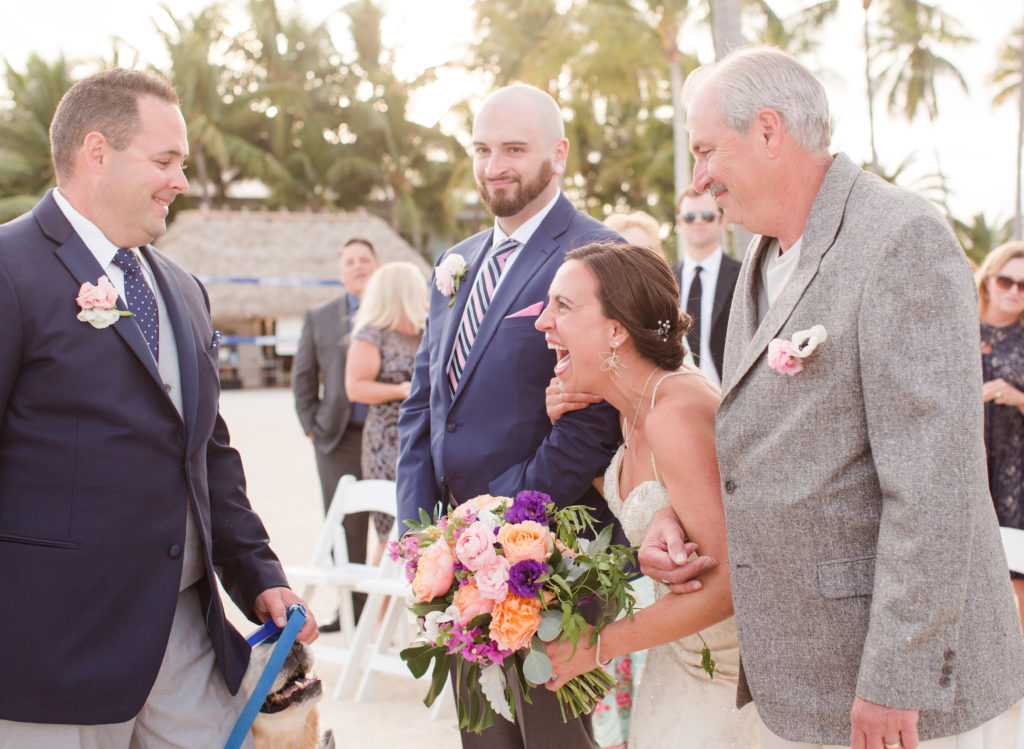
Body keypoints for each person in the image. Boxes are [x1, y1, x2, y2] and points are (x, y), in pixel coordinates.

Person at [641, 45, 1024, 749]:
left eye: (704, 150)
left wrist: (894, 679)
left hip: (891, 697)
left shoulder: (900, 239)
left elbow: (935, 482)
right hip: (802, 677)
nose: (698, 179)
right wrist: (674, 516)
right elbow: (760, 442)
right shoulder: (761, 251)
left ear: (767, 131)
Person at [0, 68, 315, 747]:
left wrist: (258, 573)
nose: (180, 180)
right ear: (97, 153)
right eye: (165, 160)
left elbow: (207, 452)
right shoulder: (9, 269)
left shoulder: (182, 287)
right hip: (53, 652)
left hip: (184, 640)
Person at [396, 84, 628, 749]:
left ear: (558, 153)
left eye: (515, 149)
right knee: (485, 739)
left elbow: (596, 414)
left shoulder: (598, 255)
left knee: (554, 737)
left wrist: (508, 522)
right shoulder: (453, 262)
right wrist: (423, 536)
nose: (496, 165)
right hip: (458, 557)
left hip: (550, 551)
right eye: (483, 149)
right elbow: (424, 403)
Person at [539, 242, 761, 748]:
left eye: (563, 306)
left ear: (617, 330)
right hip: (679, 663)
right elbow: (641, 484)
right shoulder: (632, 402)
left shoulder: (676, 412)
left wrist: (592, 648)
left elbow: (726, 587)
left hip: (729, 680)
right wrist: (662, 510)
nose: (543, 322)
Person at [293, 236, 380, 629]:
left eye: (365, 259)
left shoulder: (391, 312)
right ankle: (352, 612)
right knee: (344, 525)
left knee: (387, 520)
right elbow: (303, 378)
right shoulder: (320, 316)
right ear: (341, 271)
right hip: (336, 438)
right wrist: (312, 426)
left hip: (384, 436)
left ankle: (382, 609)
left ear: (377, 266)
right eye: (350, 261)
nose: (358, 266)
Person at [345, 261, 427, 557]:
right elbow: (355, 387)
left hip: (424, 436)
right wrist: (400, 390)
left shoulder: (426, 329)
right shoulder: (372, 333)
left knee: (423, 530)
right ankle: (379, 603)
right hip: (387, 441)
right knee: (390, 531)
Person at [976, 241, 1024, 630]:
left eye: (1023, 285)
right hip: (966, 466)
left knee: (1019, 572)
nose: (1013, 291)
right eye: (1006, 280)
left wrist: (1017, 397)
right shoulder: (957, 329)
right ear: (988, 280)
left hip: (1017, 473)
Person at [673, 184, 740, 387]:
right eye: (690, 217)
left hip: (730, 394)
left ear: (722, 220)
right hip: (679, 395)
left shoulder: (744, 275)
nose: (699, 222)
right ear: (679, 223)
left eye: (708, 215)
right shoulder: (663, 280)